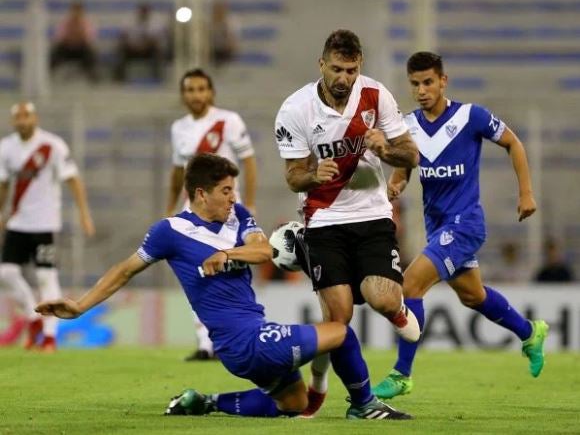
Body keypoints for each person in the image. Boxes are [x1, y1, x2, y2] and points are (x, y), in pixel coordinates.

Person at [35, 153, 411, 421]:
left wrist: (228, 254)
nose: (234, 197)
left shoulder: (239, 218)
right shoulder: (170, 231)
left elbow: (265, 251)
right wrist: (81, 306)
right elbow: (123, 270)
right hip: (242, 341)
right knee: (340, 333)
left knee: (294, 403)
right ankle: (364, 405)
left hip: (251, 336)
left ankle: (205, 402)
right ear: (201, 194)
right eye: (227, 190)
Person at [372, 51, 549, 399]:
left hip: (466, 223)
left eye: (427, 82)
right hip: (438, 227)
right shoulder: (407, 126)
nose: (421, 90)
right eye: (414, 84)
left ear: (443, 81)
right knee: (473, 295)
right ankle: (529, 332)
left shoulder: (471, 116)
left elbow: (513, 143)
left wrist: (526, 193)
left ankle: (401, 374)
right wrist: (397, 183)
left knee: (409, 286)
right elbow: (405, 166)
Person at [274, 29, 420, 416]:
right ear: (321, 65)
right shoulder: (295, 109)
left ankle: (398, 313)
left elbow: (412, 156)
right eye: (337, 69)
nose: (344, 78)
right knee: (338, 320)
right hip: (323, 221)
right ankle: (345, 396)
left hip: (372, 216)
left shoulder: (376, 96)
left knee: (382, 297)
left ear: (360, 68)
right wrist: (312, 175)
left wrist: (385, 148)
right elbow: (292, 177)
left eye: (351, 70)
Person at [166, 68, 257, 361]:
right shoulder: (178, 128)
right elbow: (179, 172)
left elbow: (249, 162)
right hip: (192, 214)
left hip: (227, 211)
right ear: (183, 95)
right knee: (196, 275)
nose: (196, 95)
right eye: (190, 90)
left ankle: (232, 338)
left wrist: (250, 203)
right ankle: (206, 343)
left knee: (231, 274)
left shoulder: (228, 121)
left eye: (201, 89)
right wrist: (170, 207)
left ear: (211, 92)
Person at [0, 102, 95, 352]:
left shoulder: (52, 145)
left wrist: (84, 214)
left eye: (26, 116)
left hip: (44, 223)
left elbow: (73, 180)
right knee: (5, 273)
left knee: (45, 276)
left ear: (35, 118)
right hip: (17, 222)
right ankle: (33, 319)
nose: (22, 120)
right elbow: (3, 185)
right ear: (13, 121)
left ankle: (50, 336)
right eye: (18, 117)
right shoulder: (6, 148)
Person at [113, 3, 167, 83]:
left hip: (148, 50)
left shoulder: (156, 24)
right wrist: (134, 45)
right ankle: (119, 78)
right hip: (132, 49)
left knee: (158, 51)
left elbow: (157, 40)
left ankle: (158, 78)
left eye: (145, 11)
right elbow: (123, 37)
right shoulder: (129, 22)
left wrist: (145, 45)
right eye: (142, 11)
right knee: (121, 50)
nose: (143, 13)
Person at [50, 0, 99, 82]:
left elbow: (89, 39)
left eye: (78, 10)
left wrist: (79, 34)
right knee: (56, 51)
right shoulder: (65, 23)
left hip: (81, 50)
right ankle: (48, 74)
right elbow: (59, 38)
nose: (76, 13)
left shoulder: (86, 23)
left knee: (90, 52)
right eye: (74, 10)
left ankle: (93, 76)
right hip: (67, 49)